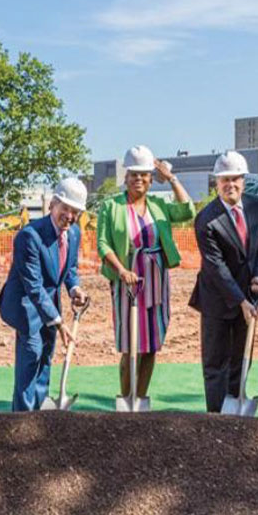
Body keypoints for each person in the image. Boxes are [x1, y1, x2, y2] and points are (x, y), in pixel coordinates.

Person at [96, 145, 194, 404]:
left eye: (144, 175)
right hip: (127, 281)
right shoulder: (111, 207)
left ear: (151, 179)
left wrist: (171, 178)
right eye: (133, 174)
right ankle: (126, 397)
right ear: (126, 178)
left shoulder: (159, 206)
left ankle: (141, 397)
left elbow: (187, 211)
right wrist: (121, 270)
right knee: (129, 345)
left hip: (155, 281)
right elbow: (103, 243)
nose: (138, 179)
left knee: (151, 344)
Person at [189, 152, 258, 413]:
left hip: (250, 296)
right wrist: (240, 301)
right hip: (217, 299)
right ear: (217, 183)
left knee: (242, 358)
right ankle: (217, 418)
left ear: (244, 180)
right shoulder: (206, 220)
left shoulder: (256, 206)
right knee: (216, 364)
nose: (231, 185)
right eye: (225, 180)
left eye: (235, 179)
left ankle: (237, 408)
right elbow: (216, 268)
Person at [0, 177, 90, 411]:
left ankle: (40, 413)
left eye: (75, 211)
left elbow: (70, 268)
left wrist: (74, 288)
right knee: (31, 358)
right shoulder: (30, 236)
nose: (69, 216)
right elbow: (34, 287)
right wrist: (58, 321)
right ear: (52, 205)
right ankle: (22, 419)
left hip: (50, 304)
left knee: (46, 358)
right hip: (27, 305)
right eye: (65, 209)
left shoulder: (74, 233)